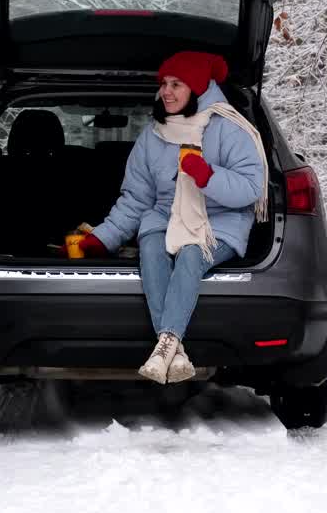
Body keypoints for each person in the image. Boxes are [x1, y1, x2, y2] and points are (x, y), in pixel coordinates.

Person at [76, 51, 268, 384]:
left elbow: (252, 187)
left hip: (217, 222)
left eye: (176, 84)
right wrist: (104, 237)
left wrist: (208, 176)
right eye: (164, 83)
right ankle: (172, 352)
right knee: (151, 251)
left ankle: (164, 347)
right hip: (163, 218)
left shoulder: (230, 129)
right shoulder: (153, 135)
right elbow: (137, 198)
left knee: (191, 254)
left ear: (196, 88)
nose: (166, 91)